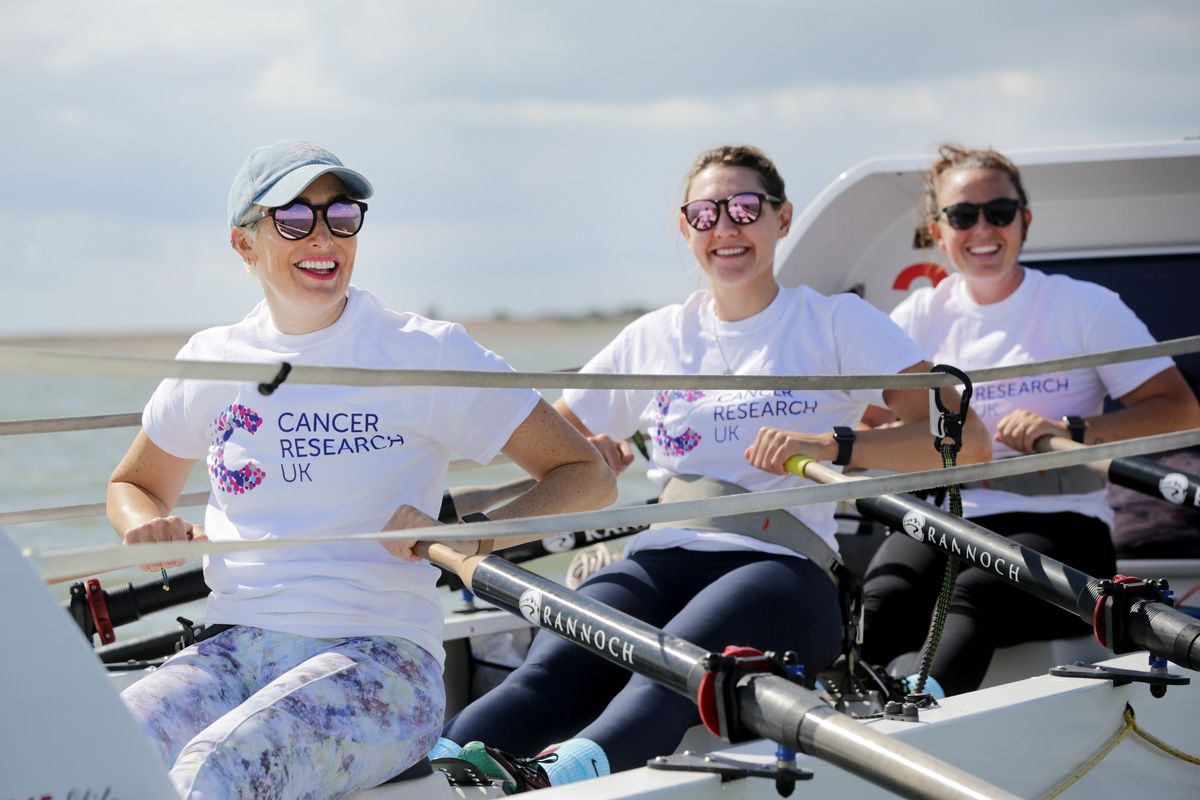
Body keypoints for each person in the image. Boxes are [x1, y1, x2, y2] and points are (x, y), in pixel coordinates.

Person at [431, 144, 990, 791]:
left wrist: (834, 444)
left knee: (669, 667)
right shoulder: (654, 337)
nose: (726, 227)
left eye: (746, 207)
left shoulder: (834, 323)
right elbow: (553, 446)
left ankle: (552, 779)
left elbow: (963, 439)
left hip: (783, 568)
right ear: (684, 227)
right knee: (552, 667)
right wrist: (592, 457)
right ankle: (430, 768)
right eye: (705, 212)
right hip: (660, 554)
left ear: (782, 220)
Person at [106, 138, 616, 800]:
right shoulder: (212, 360)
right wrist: (145, 524)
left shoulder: (421, 353)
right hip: (230, 649)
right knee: (104, 748)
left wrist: (475, 533)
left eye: (341, 215)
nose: (323, 235)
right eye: (295, 218)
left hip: (383, 662)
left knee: (212, 771)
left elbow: (588, 473)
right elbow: (133, 485)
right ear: (244, 244)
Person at [859, 144, 1200, 697]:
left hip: (1064, 517)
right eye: (963, 216)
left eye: (999, 211)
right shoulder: (916, 317)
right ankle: (847, 726)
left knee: (973, 591)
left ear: (1025, 220)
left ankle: (913, 716)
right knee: (881, 601)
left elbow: (1179, 409)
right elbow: (874, 424)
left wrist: (1073, 430)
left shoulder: (1086, 306)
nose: (982, 227)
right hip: (954, 514)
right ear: (937, 231)